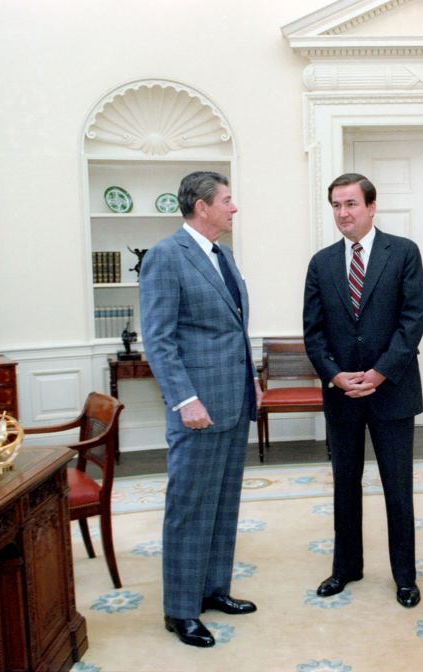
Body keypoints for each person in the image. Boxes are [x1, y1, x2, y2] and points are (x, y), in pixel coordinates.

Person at [140, 171, 262, 648]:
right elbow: (159, 339)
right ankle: (181, 610)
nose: (235, 208)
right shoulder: (166, 256)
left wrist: (250, 381)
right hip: (198, 407)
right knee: (190, 508)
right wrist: (184, 400)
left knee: (224, 502)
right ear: (201, 205)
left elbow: (231, 330)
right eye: (228, 200)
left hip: (233, 403)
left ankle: (214, 589)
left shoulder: (224, 255)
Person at [302, 172, 423, 608]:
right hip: (342, 394)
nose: (343, 213)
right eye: (336, 205)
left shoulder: (404, 253)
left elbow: (413, 321)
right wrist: (335, 375)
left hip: (391, 391)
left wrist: (379, 373)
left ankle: (405, 577)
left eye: (351, 204)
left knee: (397, 486)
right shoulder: (320, 263)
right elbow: (313, 332)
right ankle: (345, 568)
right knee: (344, 485)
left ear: (372, 207)